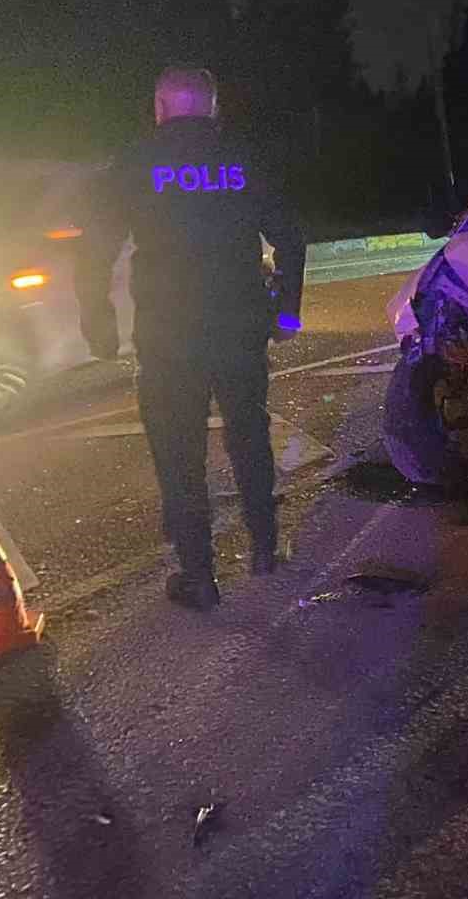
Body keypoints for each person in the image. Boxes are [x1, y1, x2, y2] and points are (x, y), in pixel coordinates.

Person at [76, 67, 306, 610]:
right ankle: (265, 548)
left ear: (159, 107)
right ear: (212, 106)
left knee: (178, 453)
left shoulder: (133, 162)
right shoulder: (243, 156)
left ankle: (200, 577)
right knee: (248, 432)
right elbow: (291, 239)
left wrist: (99, 324)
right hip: (240, 326)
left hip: (168, 332)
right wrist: (286, 316)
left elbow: (93, 250)